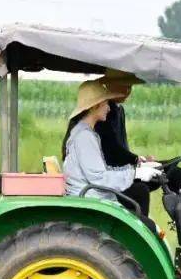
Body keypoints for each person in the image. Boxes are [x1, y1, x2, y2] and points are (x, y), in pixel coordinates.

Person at [62, 80, 163, 215]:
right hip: (91, 199)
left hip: (93, 196)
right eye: (105, 104)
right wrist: (136, 174)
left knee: (142, 207)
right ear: (94, 106)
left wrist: (135, 169)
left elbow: (101, 171)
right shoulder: (84, 137)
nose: (109, 108)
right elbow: (99, 178)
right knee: (147, 225)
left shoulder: (87, 133)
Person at [94, 70, 181, 192]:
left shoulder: (118, 109)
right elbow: (112, 150)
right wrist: (136, 160)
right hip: (115, 173)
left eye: (129, 87)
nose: (127, 91)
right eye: (123, 87)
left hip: (124, 167)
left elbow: (121, 147)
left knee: (172, 170)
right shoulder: (103, 113)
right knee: (171, 172)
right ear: (110, 85)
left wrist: (138, 161)